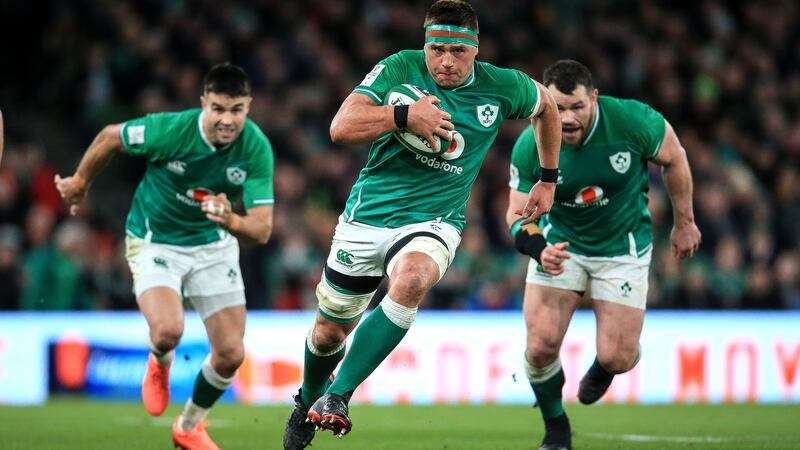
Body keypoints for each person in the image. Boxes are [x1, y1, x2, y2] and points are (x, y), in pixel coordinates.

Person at [282, 1, 562, 449]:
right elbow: (340, 127)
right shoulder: (399, 67)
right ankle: (308, 399)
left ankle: (339, 395)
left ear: (475, 50)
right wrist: (403, 116)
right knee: (328, 331)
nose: (445, 61)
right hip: (366, 219)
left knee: (411, 279)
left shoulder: (502, 86)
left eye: (456, 51)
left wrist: (547, 180)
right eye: (436, 49)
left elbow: (546, 108)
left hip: (435, 220)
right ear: (424, 45)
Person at [55, 62, 275, 450]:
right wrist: (79, 183)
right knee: (168, 330)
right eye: (219, 108)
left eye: (236, 110)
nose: (227, 119)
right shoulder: (171, 130)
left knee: (230, 354)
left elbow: (261, 228)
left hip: (213, 245)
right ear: (203, 103)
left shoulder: (255, 146)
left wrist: (232, 221)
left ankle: (189, 426)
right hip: (156, 240)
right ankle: (159, 360)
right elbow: (110, 137)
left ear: (249, 107)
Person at [506, 59, 702, 450]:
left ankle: (605, 368)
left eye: (576, 107)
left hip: (622, 248)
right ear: (544, 103)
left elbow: (676, 157)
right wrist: (538, 248)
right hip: (560, 246)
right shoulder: (531, 143)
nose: (567, 118)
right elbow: (514, 214)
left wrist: (685, 222)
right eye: (557, 108)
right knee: (540, 345)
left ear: (593, 98)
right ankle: (556, 428)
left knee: (619, 357)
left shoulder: (631, 121)